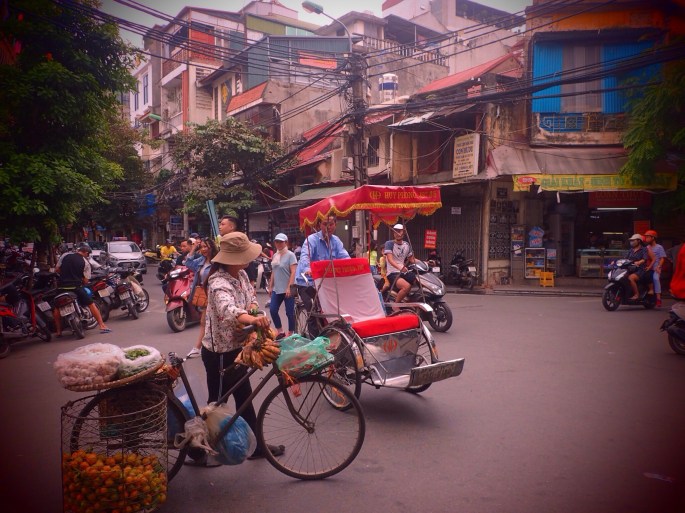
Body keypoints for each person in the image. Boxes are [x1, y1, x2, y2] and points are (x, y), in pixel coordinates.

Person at [200, 232, 283, 463]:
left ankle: (257, 447)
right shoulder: (218, 282)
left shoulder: (243, 275)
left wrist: (255, 311)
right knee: (216, 405)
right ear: (233, 258)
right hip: (219, 353)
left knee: (244, 397)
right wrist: (252, 319)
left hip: (238, 348)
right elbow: (228, 311)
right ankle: (200, 450)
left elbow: (251, 299)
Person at [295, 215, 350, 336]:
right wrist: (308, 268)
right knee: (313, 308)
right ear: (320, 225)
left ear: (335, 225)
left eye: (331, 224)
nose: (328, 227)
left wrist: (352, 266)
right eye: (325, 224)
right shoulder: (311, 240)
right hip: (307, 281)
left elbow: (345, 257)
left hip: (325, 282)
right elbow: (305, 256)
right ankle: (314, 340)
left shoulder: (336, 241)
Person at [53, 243, 110, 336]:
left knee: (57, 308)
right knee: (91, 304)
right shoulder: (85, 262)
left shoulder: (65, 256)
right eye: (88, 254)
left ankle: (58, 331)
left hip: (62, 287)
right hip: (76, 287)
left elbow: (57, 269)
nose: (88, 256)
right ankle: (102, 325)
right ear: (86, 253)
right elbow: (86, 280)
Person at [185, 237, 218, 358]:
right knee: (207, 321)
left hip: (216, 295)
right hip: (205, 295)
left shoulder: (217, 261)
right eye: (202, 246)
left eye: (206, 247)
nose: (203, 249)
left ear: (211, 247)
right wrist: (193, 248)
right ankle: (206, 346)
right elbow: (188, 263)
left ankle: (197, 348)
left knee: (205, 321)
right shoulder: (201, 260)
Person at [268, 233, 297, 339]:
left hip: (289, 288)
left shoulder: (291, 255)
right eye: (277, 242)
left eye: (281, 242)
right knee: (273, 310)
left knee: (290, 313)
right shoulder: (275, 255)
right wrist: (270, 286)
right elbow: (273, 272)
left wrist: (289, 287)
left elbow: (293, 272)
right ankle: (280, 331)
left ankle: (291, 333)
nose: (278, 244)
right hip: (277, 288)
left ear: (286, 242)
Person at [384, 224, 417, 304]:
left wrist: (425, 263)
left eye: (399, 231)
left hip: (403, 272)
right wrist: (400, 268)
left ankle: (410, 299)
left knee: (417, 280)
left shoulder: (406, 245)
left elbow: (412, 259)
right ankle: (396, 305)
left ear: (403, 232)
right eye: (395, 231)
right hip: (392, 272)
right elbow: (390, 260)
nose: (397, 233)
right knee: (406, 286)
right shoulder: (389, 244)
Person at [624, 233, 652, 300]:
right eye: (631, 240)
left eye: (633, 240)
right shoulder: (631, 250)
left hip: (640, 269)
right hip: (630, 269)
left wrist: (639, 262)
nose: (631, 242)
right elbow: (625, 258)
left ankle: (636, 294)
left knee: (631, 278)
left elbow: (645, 259)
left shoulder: (644, 249)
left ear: (639, 241)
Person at [644, 230, 666, 308]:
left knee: (656, 279)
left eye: (648, 237)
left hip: (656, 267)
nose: (646, 239)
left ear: (653, 238)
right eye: (646, 237)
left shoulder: (659, 247)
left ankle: (658, 299)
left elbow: (662, 258)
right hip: (648, 267)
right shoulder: (646, 247)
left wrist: (659, 266)